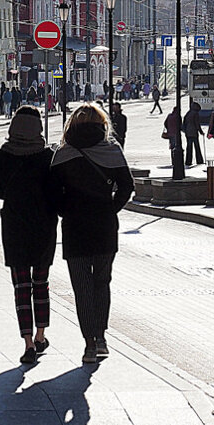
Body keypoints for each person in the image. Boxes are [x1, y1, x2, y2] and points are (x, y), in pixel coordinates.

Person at [50, 105, 134, 364]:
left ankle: (89, 343)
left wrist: (68, 211)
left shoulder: (63, 153)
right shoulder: (112, 150)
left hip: (75, 228)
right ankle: (101, 338)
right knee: (102, 282)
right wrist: (110, 208)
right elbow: (127, 187)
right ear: (102, 123)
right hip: (105, 226)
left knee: (82, 288)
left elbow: (52, 194)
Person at [0, 107, 57, 364]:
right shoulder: (48, 156)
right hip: (44, 226)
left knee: (21, 286)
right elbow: (56, 192)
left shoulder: (3, 156)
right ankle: (41, 334)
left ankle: (28, 342)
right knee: (41, 283)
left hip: (15, 226)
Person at [182, 101, 204, 166]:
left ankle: (188, 161)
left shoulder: (188, 113)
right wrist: (200, 131)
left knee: (189, 147)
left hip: (188, 133)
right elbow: (197, 124)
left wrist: (185, 130)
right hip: (194, 132)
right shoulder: (195, 114)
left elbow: (184, 123)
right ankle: (199, 160)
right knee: (197, 147)